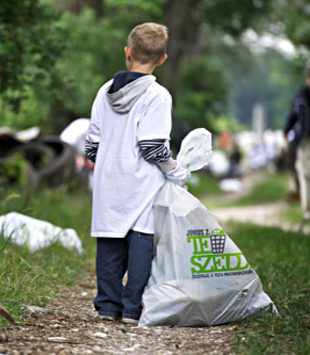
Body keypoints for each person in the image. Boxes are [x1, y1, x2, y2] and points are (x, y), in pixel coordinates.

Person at [84, 23, 188, 325]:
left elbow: (92, 145)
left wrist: (105, 162)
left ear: (127, 53)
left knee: (109, 241)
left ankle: (107, 305)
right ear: (162, 59)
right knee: (141, 241)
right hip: (142, 184)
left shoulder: (105, 92)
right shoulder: (157, 95)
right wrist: (175, 169)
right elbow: (152, 146)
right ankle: (132, 309)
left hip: (108, 182)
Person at [284, 67, 310, 221]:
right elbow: (293, 116)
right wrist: (285, 132)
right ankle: (309, 211)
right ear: (308, 80)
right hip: (306, 140)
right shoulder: (301, 96)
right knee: (305, 175)